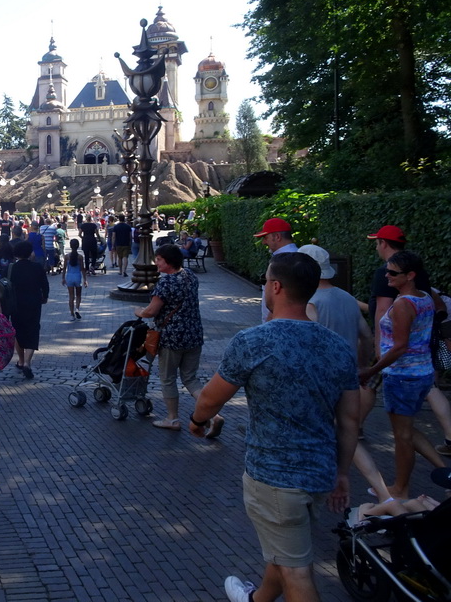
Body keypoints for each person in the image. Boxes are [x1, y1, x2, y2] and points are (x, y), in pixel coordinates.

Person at [191, 252, 359, 602]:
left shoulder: (254, 342)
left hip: (274, 477)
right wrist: (342, 472)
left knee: (297, 573)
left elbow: (209, 399)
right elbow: (349, 420)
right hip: (319, 473)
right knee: (287, 550)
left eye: (267, 281)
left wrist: (197, 421)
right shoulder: (338, 347)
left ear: (277, 287)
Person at [299, 243, 395, 503]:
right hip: (348, 375)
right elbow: (365, 336)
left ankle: (312, 487)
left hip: (321, 381)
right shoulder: (346, 298)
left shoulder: (310, 303)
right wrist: (361, 369)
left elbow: (309, 348)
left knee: (323, 432)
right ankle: (384, 491)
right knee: (347, 431)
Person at [358, 250, 439, 499]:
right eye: (387, 270)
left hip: (403, 376)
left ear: (410, 275)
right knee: (408, 429)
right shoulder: (426, 297)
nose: (387, 276)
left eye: (393, 273)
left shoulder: (404, 304)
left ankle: (400, 489)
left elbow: (400, 346)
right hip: (422, 372)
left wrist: (373, 369)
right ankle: (443, 469)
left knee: (402, 437)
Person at [134, 244, 223, 435]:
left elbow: (152, 311)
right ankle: (213, 416)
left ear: (168, 261)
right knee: (190, 378)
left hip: (171, 338)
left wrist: (139, 312)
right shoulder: (190, 275)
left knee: (167, 379)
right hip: (193, 334)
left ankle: (172, 418)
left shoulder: (165, 283)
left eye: (158, 259)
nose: (155, 262)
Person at [8, 240, 48, 380]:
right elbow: (45, 285)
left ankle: (20, 359)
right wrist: (45, 297)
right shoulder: (37, 267)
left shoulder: (12, 268)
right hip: (33, 303)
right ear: (30, 253)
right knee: (32, 330)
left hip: (16, 304)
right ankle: (27, 362)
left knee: (18, 331)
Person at [254, 217, 298, 322]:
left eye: (266, 237)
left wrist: (270, 322)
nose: (264, 242)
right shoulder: (293, 257)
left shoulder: (286, 259)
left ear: (277, 236)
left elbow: (283, 297)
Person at [62, 238, 87, 320]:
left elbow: (64, 268)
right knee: (78, 295)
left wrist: (63, 278)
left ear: (70, 246)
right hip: (77, 276)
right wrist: (85, 279)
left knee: (71, 297)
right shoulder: (80, 257)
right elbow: (83, 268)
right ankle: (77, 309)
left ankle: (72, 314)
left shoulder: (67, 256)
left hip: (69, 276)